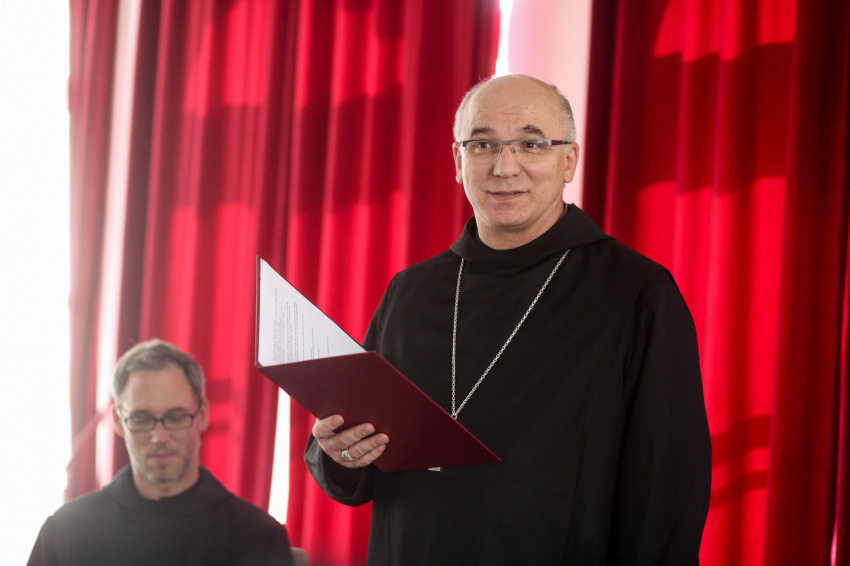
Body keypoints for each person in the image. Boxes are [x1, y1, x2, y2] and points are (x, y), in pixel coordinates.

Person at [305, 73, 712, 564]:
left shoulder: (636, 293)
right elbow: (352, 465)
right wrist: (340, 453)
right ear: (458, 162)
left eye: (531, 144)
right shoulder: (409, 292)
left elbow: (667, 490)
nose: (504, 167)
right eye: (482, 145)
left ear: (568, 161)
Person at [28, 339, 294, 566]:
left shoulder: (259, 536)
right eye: (142, 419)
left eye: (176, 417)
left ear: (202, 415)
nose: (160, 438)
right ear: (118, 422)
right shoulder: (64, 532)